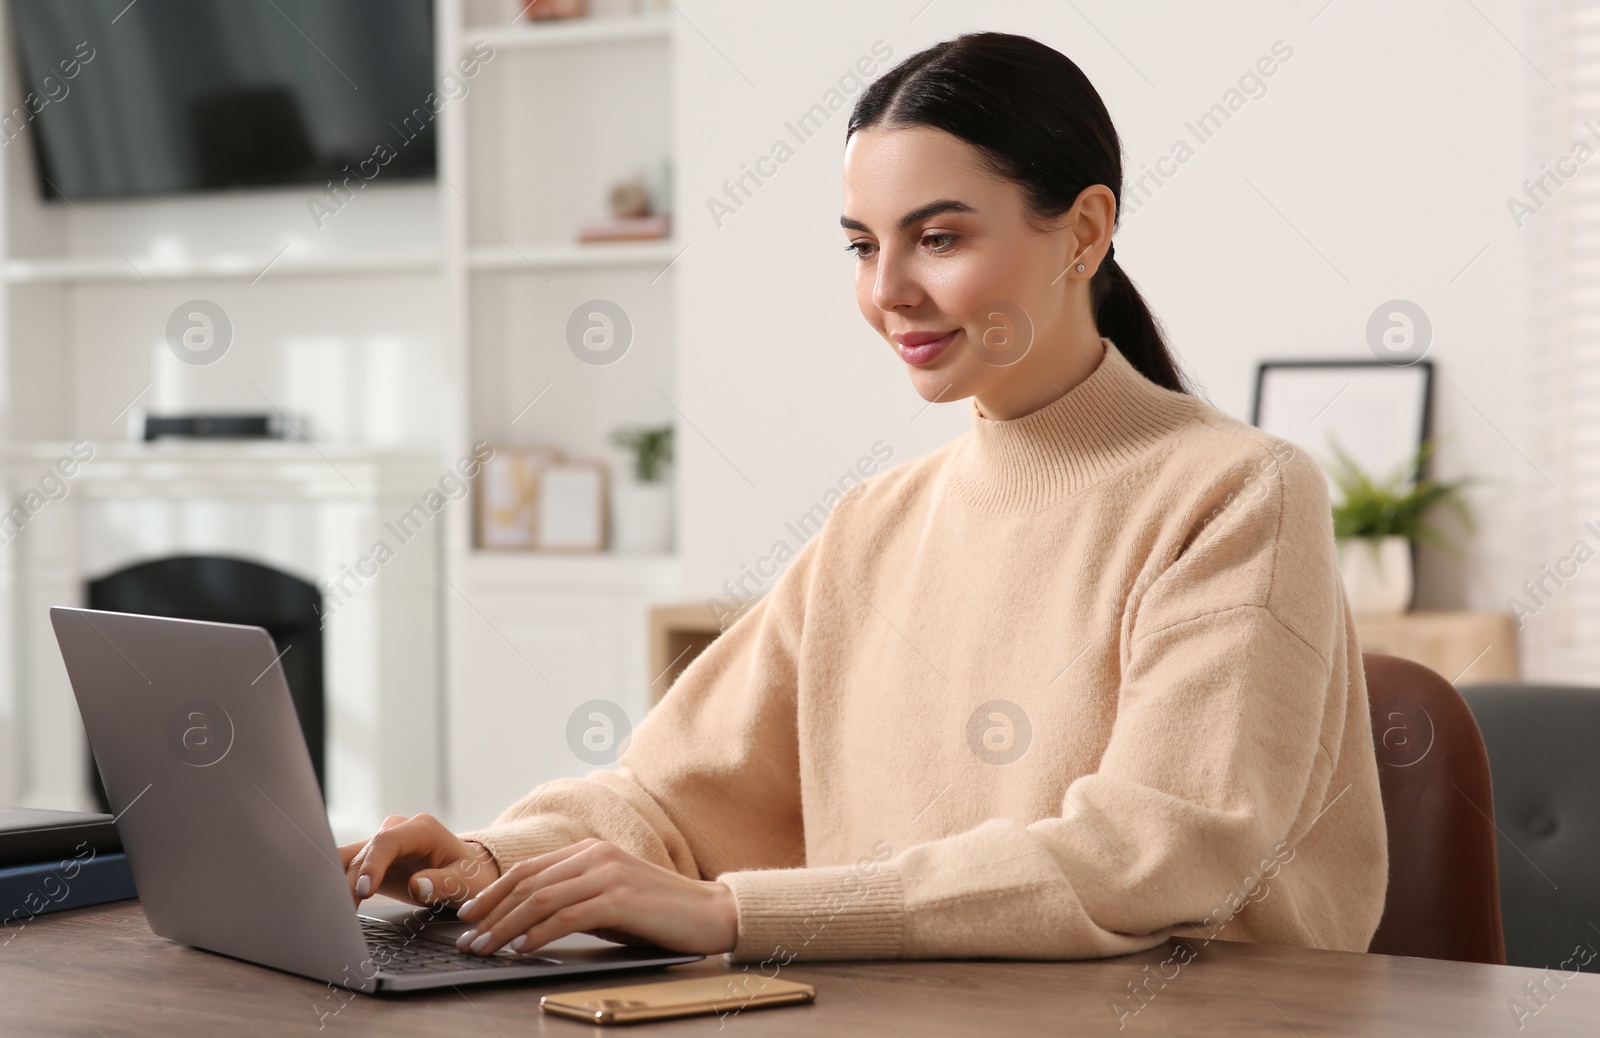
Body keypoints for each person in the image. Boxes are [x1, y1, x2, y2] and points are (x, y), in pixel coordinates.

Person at [340, 31, 1387, 964]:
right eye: (861, 243)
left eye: (937, 238)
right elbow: (669, 795)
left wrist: (735, 914)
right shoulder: (874, 522)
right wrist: (483, 859)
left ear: (1083, 231)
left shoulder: (1238, 491)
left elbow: (1154, 854)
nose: (886, 290)